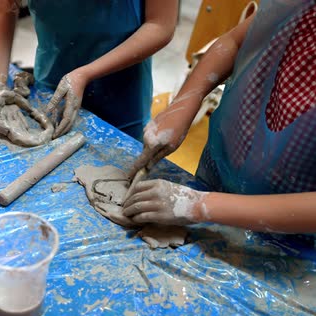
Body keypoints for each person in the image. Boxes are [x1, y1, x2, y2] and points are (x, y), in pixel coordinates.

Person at [123, 0, 316, 233]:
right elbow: (233, 42)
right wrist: (186, 102)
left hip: (291, 230)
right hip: (223, 168)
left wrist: (201, 206)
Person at [0, 0, 178, 140]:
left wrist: (84, 74)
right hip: (52, 80)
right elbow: (5, 7)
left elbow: (160, 26)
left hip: (122, 95)